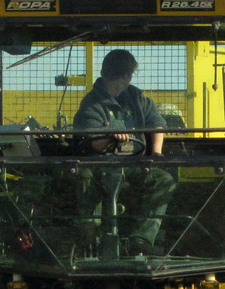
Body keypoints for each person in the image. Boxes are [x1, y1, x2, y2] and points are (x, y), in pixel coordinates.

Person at [72, 49, 175, 255]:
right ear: (126, 75)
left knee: (164, 180)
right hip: (98, 168)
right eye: (129, 75)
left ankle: (141, 240)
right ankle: (88, 239)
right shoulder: (91, 104)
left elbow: (157, 123)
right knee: (83, 178)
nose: (129, 79)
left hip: (133, 167)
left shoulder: (136, 97)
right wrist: (110, 137)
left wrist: (155, 152)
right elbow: (91, 144)